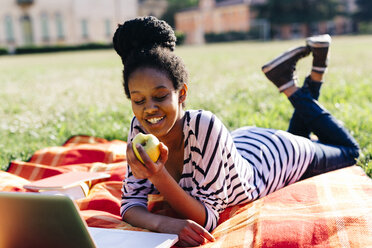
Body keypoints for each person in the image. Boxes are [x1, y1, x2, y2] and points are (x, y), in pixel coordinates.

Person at [113, 16, 360, 247]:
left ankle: (293, 85)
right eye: (138, 100)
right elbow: (130, 204)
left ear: (182, 94)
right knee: (305, 134)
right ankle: (301, 76)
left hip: (277, 156)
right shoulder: (140, 128)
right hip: (242, 147)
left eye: (160, 96)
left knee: (350, 151)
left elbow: (207, 218)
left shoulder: (204, 126)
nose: (149, 109)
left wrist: (158, 177)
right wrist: (162, 223)